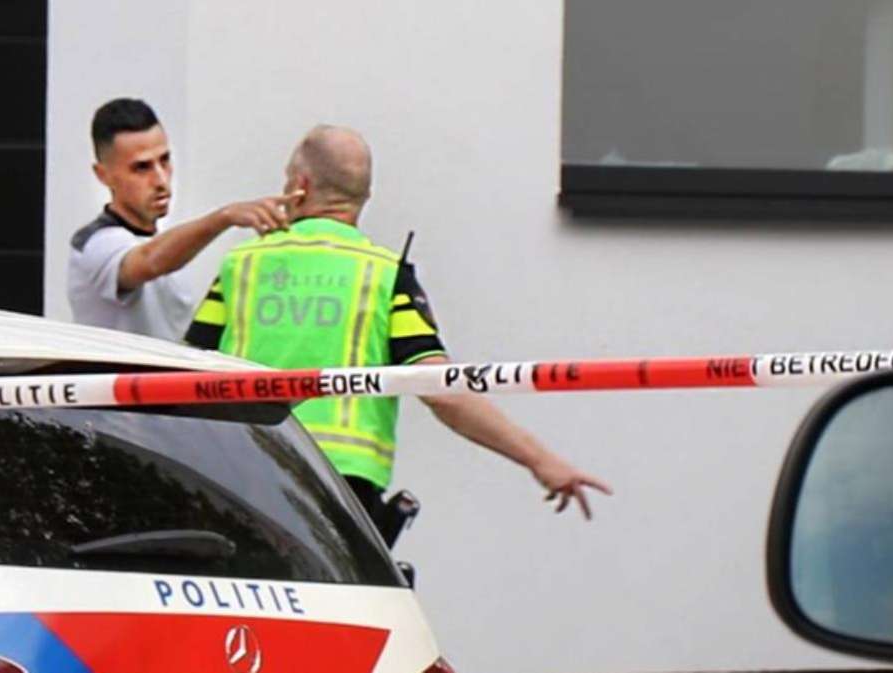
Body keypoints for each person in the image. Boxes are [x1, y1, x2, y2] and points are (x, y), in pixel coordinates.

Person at [185, 124, 612, 526]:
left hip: (239, 472)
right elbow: (441, 389)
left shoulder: (243, 264)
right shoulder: (386, 275)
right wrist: (539, 459)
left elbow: (183, 370)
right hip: (343, 484)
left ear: (301, 185)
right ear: (365, 196)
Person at [68, 98, 299, 340]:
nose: (160, 180)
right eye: (142, 168)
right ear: (103, 175)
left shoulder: (168, 248)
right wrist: (225, 217)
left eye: (165, 160)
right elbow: (148, 262)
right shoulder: (93, 244)